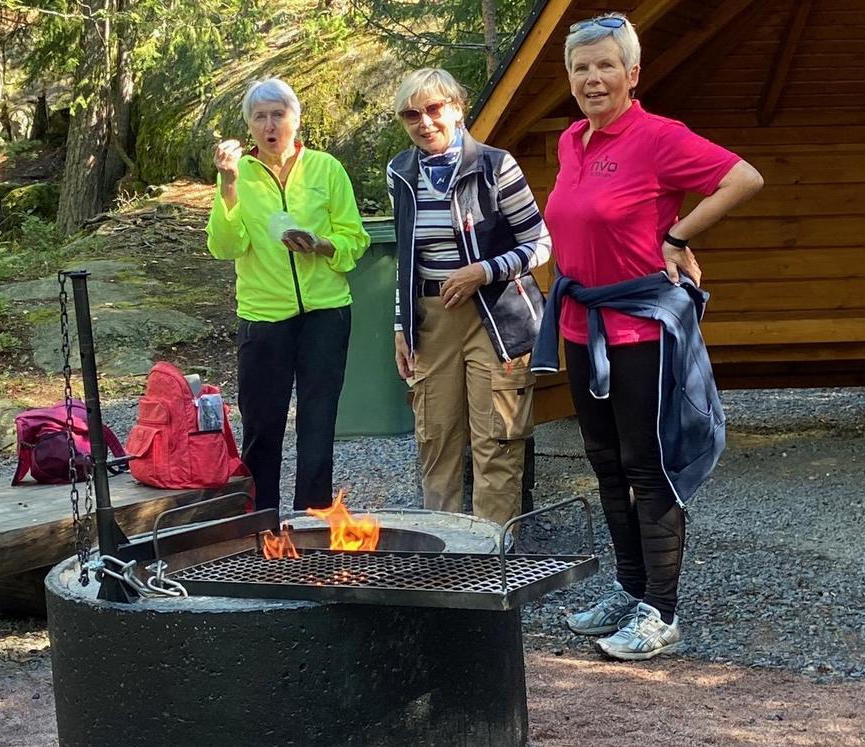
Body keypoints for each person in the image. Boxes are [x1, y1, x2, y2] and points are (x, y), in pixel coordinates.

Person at [535, 13, 763, 660]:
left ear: (632, 73)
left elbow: (743, 178)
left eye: (605, 65)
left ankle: (660, 613)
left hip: (641, 329)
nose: (592, 78)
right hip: (581, 324)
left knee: (647, 465)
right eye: (580, 67)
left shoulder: (658, 137)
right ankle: (628, 588)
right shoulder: (571, 140)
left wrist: (677, 235)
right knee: (605, 463)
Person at [387, 68, 552, 527]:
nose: (425, 122)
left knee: (496, 439)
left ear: (457, 109)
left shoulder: (496, 166)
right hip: (431, 319)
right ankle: (444, 547)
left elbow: (540, 244)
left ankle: (492, 549)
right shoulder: (400, 173)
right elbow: (405, 257)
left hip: (496, 317)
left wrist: (484, 271)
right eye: (412, 114)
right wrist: (401, 326)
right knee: (436, 438)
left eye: (434, 108)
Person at [206, 77, 370, 511]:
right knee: (262, 427)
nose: (270, 125)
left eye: (278, 115)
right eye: (259, 117)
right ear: (249, 126)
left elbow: (355, 239)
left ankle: (312, 523)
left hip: (326, 314)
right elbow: (225, 246)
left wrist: (321, 245)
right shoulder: (238, 174)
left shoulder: (326, 168)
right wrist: (227, 186)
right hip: (263, 316)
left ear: (295, 120)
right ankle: (261, 525)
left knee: (318, 425)